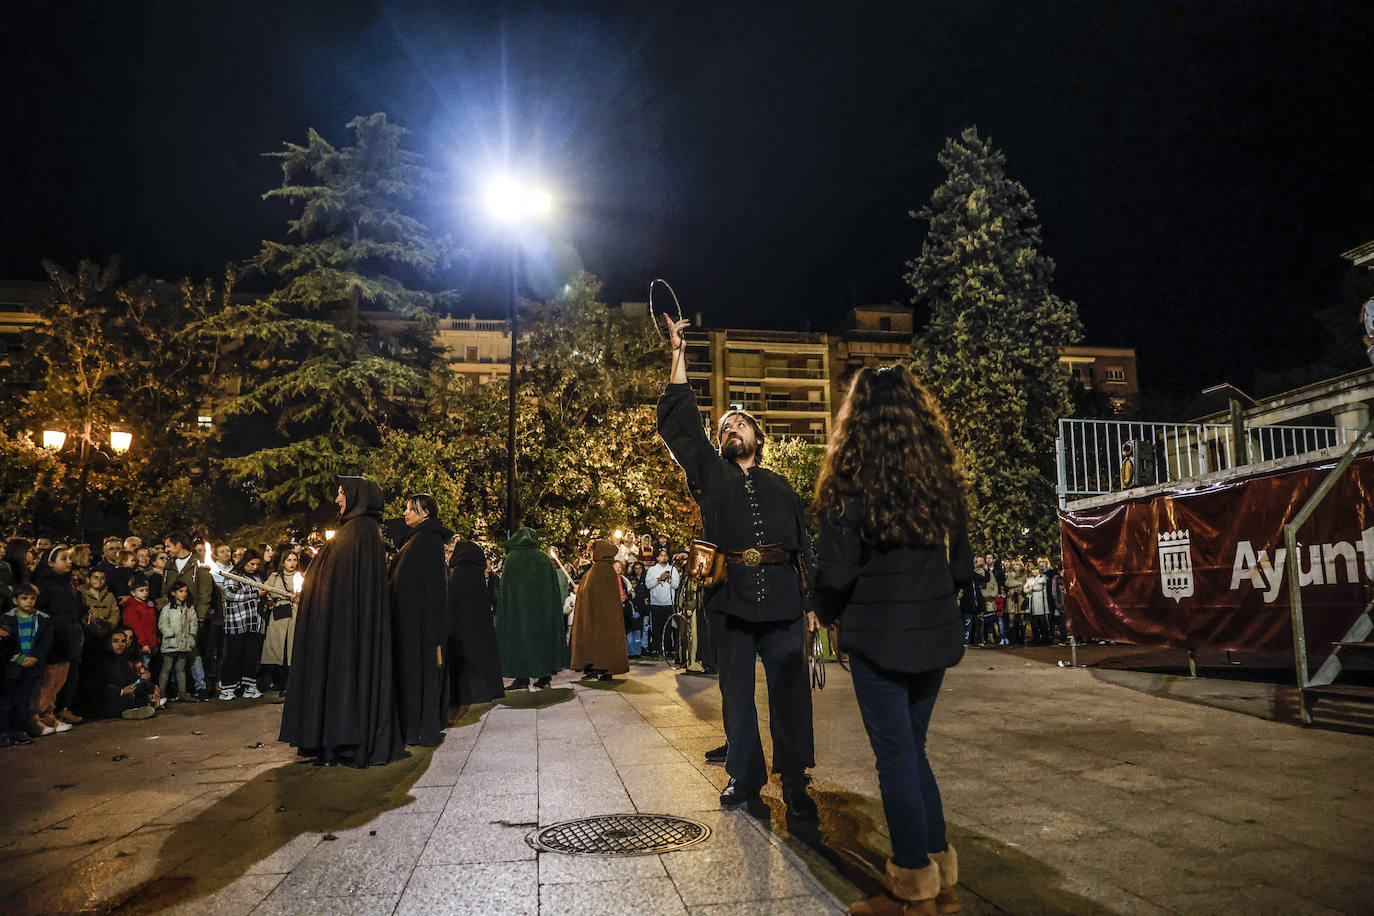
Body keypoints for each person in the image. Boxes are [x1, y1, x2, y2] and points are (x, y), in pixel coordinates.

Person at [812, 365, 972, 916]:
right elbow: (962, 568)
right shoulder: (941, 480)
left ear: (858, 417)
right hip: (934, 635)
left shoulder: (851, 480)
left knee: (896, 758)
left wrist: (825, 615)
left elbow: (834, 571)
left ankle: (912, 890)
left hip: (878, 637)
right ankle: (941, 877)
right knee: (914, 750)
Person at [657, 313, 817, 820]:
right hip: (729, 602)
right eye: (726, 425)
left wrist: (812, 607)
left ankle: (794, 780)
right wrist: (678, 354)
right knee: (736, 696)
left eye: (741, 424)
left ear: (758, 437)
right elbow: (681, 426)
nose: (732, 428)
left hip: (786, 601)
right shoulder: (710, 473)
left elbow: (804, 546)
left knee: (790, 694)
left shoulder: (781, 485)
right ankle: (743, 777)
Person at [280, 477, 406, 767]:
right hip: (342, 628)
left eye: (340, 494)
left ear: (356, 497)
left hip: (342, 634)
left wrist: (315, 597)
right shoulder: (360, 532)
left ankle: (341, 739)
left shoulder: (356, 535)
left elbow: (339, 589)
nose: (337, 500)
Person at [388, 493, 451, 747]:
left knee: (419, 675)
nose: (404, 514)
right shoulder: (419, 538)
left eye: (409, 509)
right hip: (413, 623)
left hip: (418, 626)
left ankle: (420, 729)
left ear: (425, 512)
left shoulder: (425, 540)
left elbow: (425, 587)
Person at [494, 525, 569, 691]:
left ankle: (522, 678)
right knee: (541, 643)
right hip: (541, 614)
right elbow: (552, 589)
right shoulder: (543, 559)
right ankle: (544, 677)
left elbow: (506, 591)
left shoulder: (512, 559)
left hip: (518, 613)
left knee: (520, 642)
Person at [446, 539, 504, 706]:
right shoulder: (476, 574)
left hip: (461, 630)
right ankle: (487, 690)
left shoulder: (457, 574)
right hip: (480, 629)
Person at [160, 531, 216, 701]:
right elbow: (164, 591)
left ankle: (200, 686)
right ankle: (175, 689)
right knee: (173, 657)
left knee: (193, 652)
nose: (166, 550)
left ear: (179, 544)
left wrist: (200, 615)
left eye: (169, 545)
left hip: (191, 616)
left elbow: (205, 591)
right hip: (172, 616)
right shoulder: (169, 565)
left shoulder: (198, 563)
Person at [33, 546, 84, 730]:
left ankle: (49, 715)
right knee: (48, 680)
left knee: (59, 680)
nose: (69, 562)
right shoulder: (44, 584)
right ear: (50, 562)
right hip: (53, 638)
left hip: (67, 637)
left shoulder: (66, 582)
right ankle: (37, 718)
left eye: (69, 558)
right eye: (64, 558)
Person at [570, 539, 632, 681]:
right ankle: (606, 669)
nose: (591, 555)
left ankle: (596, 668)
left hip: (596, 617)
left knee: (596, 641)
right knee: (606, 641)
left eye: (592, 552)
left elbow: (589, 592)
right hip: (606, 616)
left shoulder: (598, 570)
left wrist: (579, 590)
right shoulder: (607, 569)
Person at [1, 584, 50, 746]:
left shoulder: (42, 619)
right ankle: (4, 732)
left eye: (32, 598)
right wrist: (17, 657)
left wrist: (36, 657)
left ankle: (19, 730)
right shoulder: (7, 619)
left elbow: (46, 641)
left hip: (32, 667)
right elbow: (6, 643)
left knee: (23, 701)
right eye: (24, 598)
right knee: (6, 701)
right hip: (11, 666)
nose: (29, 601)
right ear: (15, 600)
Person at [219, 550, 267, 700]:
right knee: (234, 656)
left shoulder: (258, 577)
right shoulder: (233, 575)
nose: (254, 567)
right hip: (238, 622)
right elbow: (230, 595)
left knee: (251, 656)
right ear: (244, 562)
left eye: (257, 564)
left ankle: (249, 686)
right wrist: (255, 595)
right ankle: (228, 688)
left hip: (255, 622)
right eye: (251, 564)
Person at [87, 629, 159, 720]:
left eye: (123, 641)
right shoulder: (101, 662)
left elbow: (133, 682)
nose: (120, 644)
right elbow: (98, 687)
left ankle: (141, 706)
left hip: (124, 695)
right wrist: (121, 691)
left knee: (142, 693)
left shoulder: (123, 660)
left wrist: (149, 686)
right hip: (107, 698)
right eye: (116, 641)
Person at [260, 546, 300, 695]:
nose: (292, 563)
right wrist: (270, 601)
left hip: (295, 615)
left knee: (291, 651)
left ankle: (289, 685)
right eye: (289, 560)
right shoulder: (275, 577)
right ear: (283, 562)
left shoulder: (300, 577)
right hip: (279, 617)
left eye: (295, 560)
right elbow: (266, 594)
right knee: (276, 651)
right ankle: (280, 682)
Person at [157, 581, 198, 701]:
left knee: (181, 668)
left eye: (185, 591)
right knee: (167, 668)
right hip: (171, 643)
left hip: (184, 643)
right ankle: (161, 693)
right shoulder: (167, 608)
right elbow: (163, 624)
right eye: (181, 591)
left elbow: (193, 622)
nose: (184, 594)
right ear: (173, 593)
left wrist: (191, 636)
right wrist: (171, 635)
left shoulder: (189, 608)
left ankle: (183, 693)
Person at [644, 548, 680, 658]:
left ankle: (668, 650)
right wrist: (659, 579)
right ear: (657, 558)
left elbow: (676, 585)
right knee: (656, 628)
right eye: (661, 555)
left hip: (669, 603)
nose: (663, 557)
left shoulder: (673, 569)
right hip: (656, 604)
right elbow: (648, 585)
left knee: (668, 628)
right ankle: (656, 649)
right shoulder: (652, 570)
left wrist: (669, 579)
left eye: (665, 555)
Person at [82, 568, 121, 639]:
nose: (99, 581)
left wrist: (108, 625)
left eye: (102, 578)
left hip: (107, 632)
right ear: (88, 579)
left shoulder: (110, 596)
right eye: (95, 578)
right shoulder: (81, 595)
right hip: (87, 633)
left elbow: (115, 613)